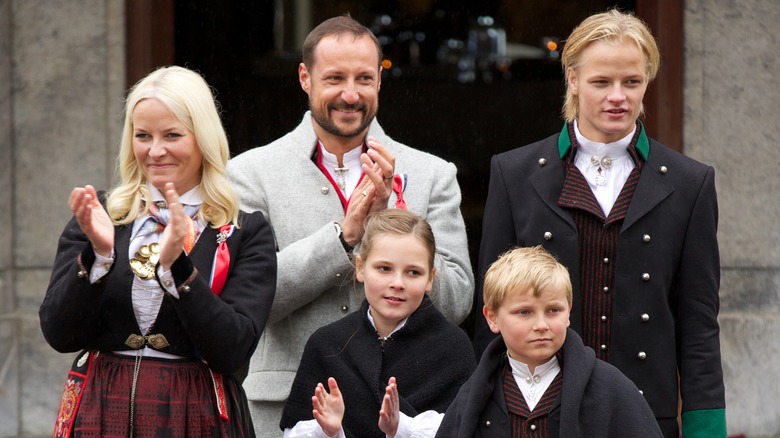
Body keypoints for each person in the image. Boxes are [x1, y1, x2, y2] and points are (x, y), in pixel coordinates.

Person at [472, 9, 726, 438]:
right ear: (572, 79)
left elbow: (699, 325)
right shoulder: (513, 174)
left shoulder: (690, 183)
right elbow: (490, 318)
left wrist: (706, 429)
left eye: (632, 82)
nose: (618, 97)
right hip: (537, 417)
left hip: (647, 417)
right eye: (601, 82)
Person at [226, 15, 474, 436]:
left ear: (380, 79)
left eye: (363, 78)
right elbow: (250, 302)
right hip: (288, 403)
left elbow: (457, 302)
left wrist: (389, 223)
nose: (350, 94)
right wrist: (344, 237)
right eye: (334, 78)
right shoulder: (250, 173)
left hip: (411, 408)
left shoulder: (432, 174)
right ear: (304, 77)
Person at [40, 66, 277, 437]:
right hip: (102, 402)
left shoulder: (244, 231)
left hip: (194, 409)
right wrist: (98, 258)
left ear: (203, 138)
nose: (155, 150)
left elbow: (232, 349)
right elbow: (59, 333)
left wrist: (177, 269)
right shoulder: (101, 214)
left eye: (172, 135)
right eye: (143, 136)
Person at [279, 209, 476, 438]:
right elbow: (296, 430)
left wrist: (400, 428)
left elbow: (464, 428)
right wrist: (329, 431)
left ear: (430, 278)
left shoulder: (453, 347)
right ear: (361, 268)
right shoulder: (327, 344)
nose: (397, 283)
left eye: (413, 272)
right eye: (384, 268)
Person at [439, 246, 663, 437]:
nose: (541, 325)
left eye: (553, 310)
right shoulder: (472, 398)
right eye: (524, 312)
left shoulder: (612, 389)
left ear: (568, 313)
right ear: (492, 318)